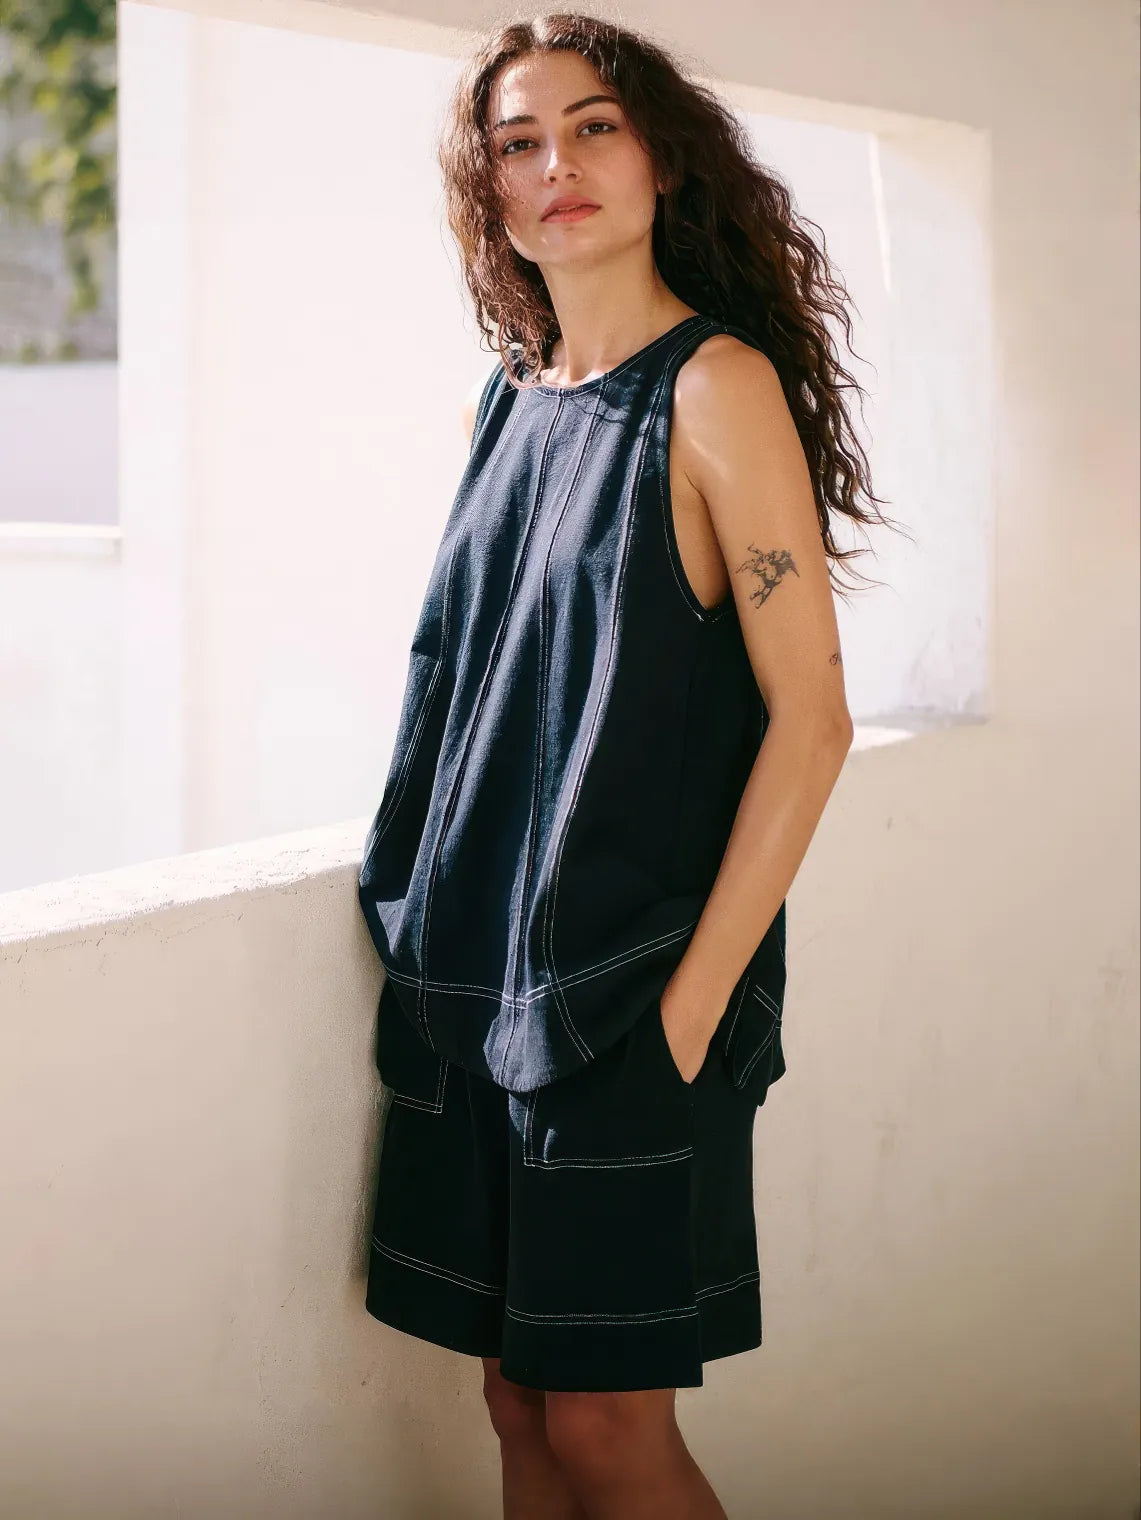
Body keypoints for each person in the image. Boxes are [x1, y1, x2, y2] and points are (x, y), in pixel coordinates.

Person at [357, 14, 900, 1517]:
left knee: (607, 1431)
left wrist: (685, 1012)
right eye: (517, 142)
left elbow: (814, 717)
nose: (557, 165)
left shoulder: (713, 389)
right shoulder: (510, 397)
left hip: (622, 1006)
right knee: (517, 1404)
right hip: (472, 991)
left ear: (661, 156)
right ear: (493, 194)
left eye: (593, 126)